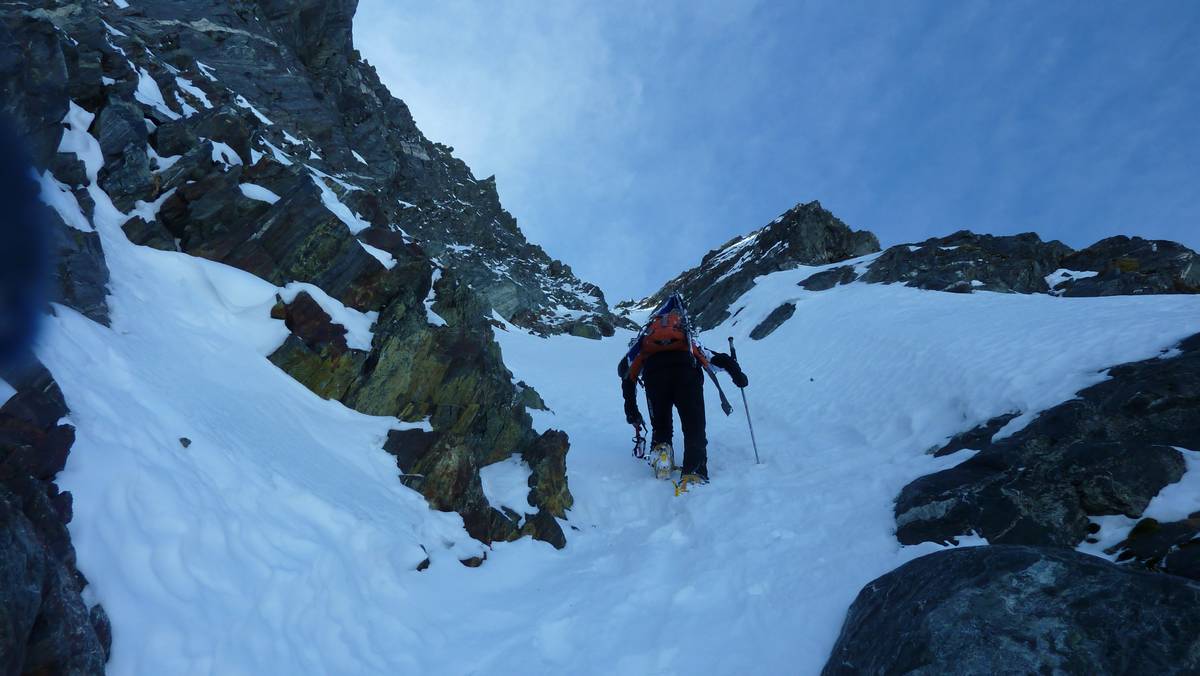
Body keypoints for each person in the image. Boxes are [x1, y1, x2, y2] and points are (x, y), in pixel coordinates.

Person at [617, 293, 748, 485]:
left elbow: (627, 376)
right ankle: (693, 471)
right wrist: (739, 377)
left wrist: (632, 411)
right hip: (687, 373)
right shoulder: (687, 339)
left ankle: (663, 456)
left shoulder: (645, 345)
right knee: (693, 425)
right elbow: (718, 359)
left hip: (654, 376)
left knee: (661, 425)